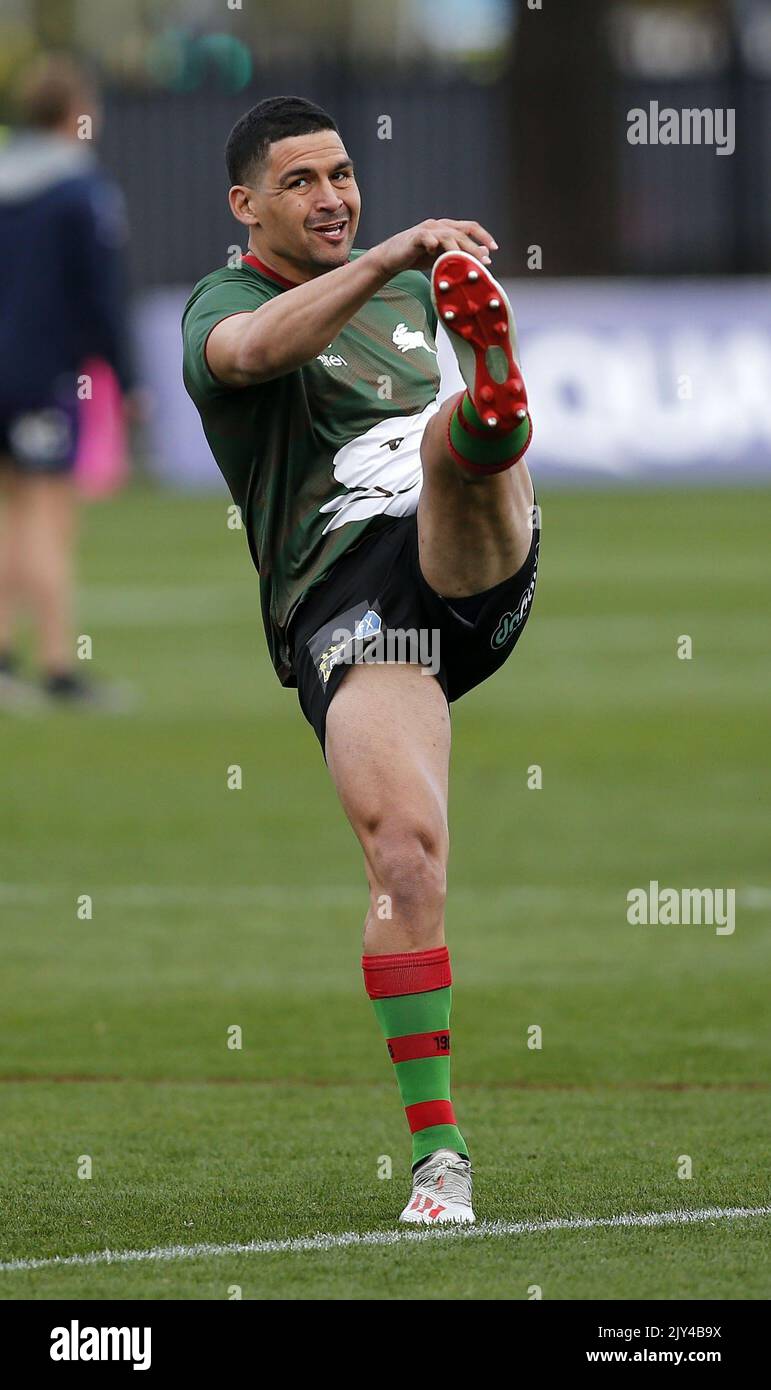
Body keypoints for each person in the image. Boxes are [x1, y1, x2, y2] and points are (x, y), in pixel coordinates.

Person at [182, 95, 539, 1225]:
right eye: (302, 182)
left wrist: (416, 285)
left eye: (343, 174)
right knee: (404, 859)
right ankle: (442, 1156)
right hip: (348, 604)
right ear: (246, 206)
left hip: (459, 553)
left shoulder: (406, 292)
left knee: (449, 449)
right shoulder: (225, 301)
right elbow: (250, 354)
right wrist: (390, 252)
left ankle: (491, 409)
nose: (333, 196)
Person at [0, 54, 135, 708]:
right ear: (75, 116)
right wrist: (128, 377)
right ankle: (57, 666)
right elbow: (102, 297)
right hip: (43, 374)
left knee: (8, 511)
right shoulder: (82, 192)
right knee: (49, 514)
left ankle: (3, 660)